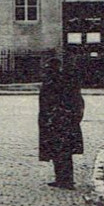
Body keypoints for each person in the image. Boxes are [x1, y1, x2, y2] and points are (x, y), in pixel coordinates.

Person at [38, 57, 85, 189]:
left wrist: (53, 118)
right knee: (58, 151)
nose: (45, 72)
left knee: (62, 151)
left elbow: (73, 102)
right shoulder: (56, 81)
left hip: (57, 122)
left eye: (47, 69)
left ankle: (66, 181)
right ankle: (61, 179)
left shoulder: (57, 82)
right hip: (56, 121)